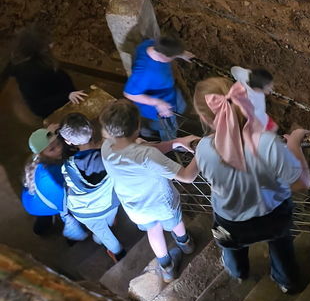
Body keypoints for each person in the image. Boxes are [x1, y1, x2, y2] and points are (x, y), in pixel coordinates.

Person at [192, 77, 310, 291]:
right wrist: (294, 143)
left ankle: (238, 271)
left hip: (230, 223)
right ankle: (287, 282)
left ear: (204, 117)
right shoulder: (267, 142)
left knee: (231, 248)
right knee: (281, 245)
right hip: (273, 215)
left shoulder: (203, 149)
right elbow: (302, 183)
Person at [100, 99, 199, 283]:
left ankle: (167, 268)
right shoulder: (147, 155)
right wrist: (202, 151)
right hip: (163, 204)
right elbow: (187, 176)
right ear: (138, 126)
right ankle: (186, 244)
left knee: (153, 232)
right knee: (176, 223)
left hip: (136, 210)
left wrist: (176, 143)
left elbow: (141, 148)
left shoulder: (106, 148)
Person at [59, 114, 125, 262]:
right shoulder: (108, 154)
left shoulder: (67, 166)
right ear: (91, 129)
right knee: (108, 219)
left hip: (86, 211)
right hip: (110, 201)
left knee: (102, 233)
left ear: (68, 142)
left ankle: (118, 252)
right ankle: (108, 224)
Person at [0, 26, 85, 119]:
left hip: (63, 93)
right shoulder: (30, 75)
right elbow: (38, 106)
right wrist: (67, 96)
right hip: (58, 103)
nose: (52, 44)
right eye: (47, 44)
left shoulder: (27, 59)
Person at [20, 128, 88, 242]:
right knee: (69, 211)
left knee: (44, 210)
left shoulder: (34, 162)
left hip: (31, 200)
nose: (59, 149)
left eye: (58, 144)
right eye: (52, 149)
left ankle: (40, 228)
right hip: (47, 202)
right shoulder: (55, 172)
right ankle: (71, 239)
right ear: (42, 153)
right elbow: (65, 200)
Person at [123, 35, 194, 141]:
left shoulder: (150, 44)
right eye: (173, 57)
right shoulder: (144, 73)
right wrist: (158, 103)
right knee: (167, 128)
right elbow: (129, 93)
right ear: (164, 57)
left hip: (168, 93)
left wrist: (181, 54)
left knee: (181, 107)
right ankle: (170, 144)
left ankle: (151, 132)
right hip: (158, 108)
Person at [230, 65, 279, 131]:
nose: (271, 89)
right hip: (258, 121)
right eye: (268, 87)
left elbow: (234, 69)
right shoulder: (255, 101)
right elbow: (256, 117)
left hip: (259, 116)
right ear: (257, 89)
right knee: (274, 128)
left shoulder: (248, 75)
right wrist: (265, 128)